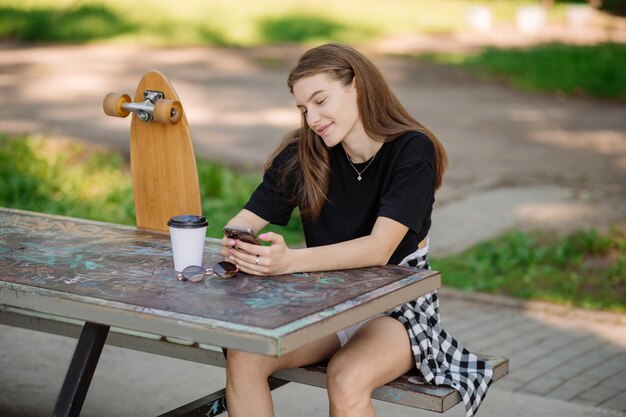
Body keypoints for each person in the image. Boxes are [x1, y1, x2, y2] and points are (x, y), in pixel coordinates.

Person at [220, 43, 492, 417]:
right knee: (245, 355)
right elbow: (246, 218)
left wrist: (287, 262)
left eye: (320, 101)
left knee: (346, 376)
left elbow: (379, 249)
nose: (312, 118)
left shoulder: (412, 150)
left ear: (357, 87)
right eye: (303, 109)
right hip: (327, 304)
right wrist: (237, 241)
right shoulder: (305, 153)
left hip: (395, 310)